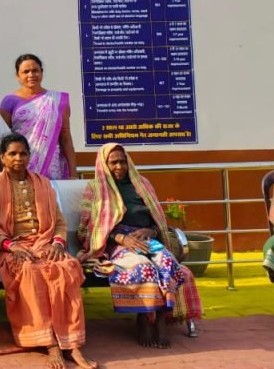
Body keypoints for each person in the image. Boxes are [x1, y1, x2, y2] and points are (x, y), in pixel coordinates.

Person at [0, 133, 98, 369]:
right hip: (9, 247)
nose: (18, 158)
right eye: (12, 154)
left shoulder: (43, 184)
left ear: (29, 156)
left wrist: (57, 243)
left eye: (23, 153)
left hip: (44, 243)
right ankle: (49, 342)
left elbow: (59, 222)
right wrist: (12, 246)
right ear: (2, 157)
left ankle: (71, 342)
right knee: (31, 272)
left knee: (66, 268)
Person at [79, 143, 202, 347]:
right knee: (143, 267)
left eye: (123, 162)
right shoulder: (95, 188)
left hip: (147, 238)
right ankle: (144, 317)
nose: (119, 167)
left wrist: (151, 231)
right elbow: (88, 227)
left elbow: (157, 219)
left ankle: (161, 318)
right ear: (104, 165)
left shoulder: (142, 183)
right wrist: (121, 238)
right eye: (113, 163)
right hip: (115, 243)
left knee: (167, 262)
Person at [0, 54, 77, 180]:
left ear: (41, 72)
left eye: (35, 70)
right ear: (18, 75)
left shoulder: (57, 100)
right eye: (26, 72)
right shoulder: (9, 101)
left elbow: (66, 138)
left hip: (51, 168)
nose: (31, 75)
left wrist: (73, 173)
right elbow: (3, 140)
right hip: (19, 165)